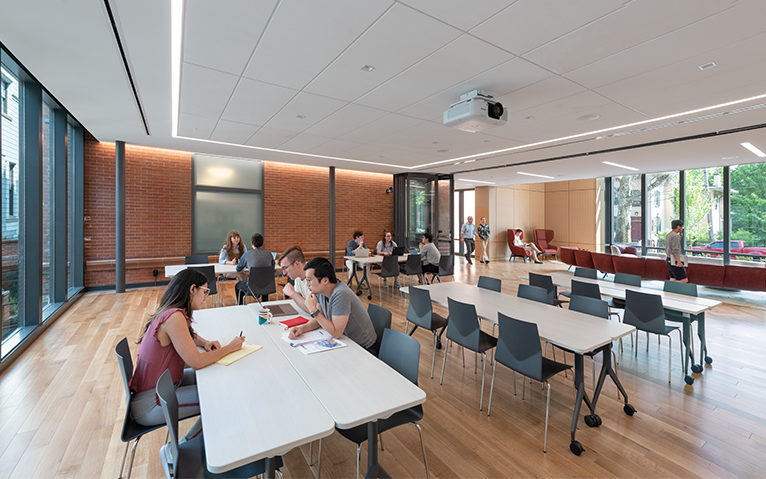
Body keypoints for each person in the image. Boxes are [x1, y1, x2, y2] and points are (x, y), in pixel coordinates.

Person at [129, 269, 244, 438]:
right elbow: (196, 362)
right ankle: (181, 452)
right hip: (152, 403)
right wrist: (230, 347)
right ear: (192, 289)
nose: (206, 296)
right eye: (204, 291)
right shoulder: (174, 317)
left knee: (214, 382)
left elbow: (185, 334)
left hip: (162, 387)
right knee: (218, 399)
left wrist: (204, 342)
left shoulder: (170, 312)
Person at [288, 257, 378, 354]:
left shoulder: (341, 294)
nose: (307, 285)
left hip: (364, 348)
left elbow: (336, 333)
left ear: (325, 280)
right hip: (346, 341)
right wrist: (302, 329)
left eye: (309, 280)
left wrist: (313, 309)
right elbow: (318, 320)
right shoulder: (320, 291)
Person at [235, 233, 275, 304]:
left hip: (252, 286)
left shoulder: (247, 254)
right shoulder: (269, 254)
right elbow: (272, 267)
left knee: (238, 286)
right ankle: (265, 305)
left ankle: (240, 305)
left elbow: (238, 269)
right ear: (263, 243)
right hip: (268, 286)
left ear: (251, 243)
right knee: (264, 281)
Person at [279, 246, 311, 312]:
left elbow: (312, 310)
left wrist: (292, 293)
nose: (284, 273)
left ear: (297, 264)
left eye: (285, 268)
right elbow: (300, 301)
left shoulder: (314, 278)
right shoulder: (297, 277)